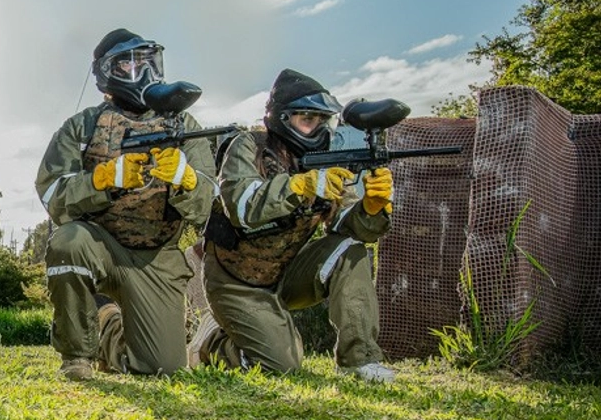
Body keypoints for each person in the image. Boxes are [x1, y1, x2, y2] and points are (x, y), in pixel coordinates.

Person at [34, 29, 217, 380]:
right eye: (131, 66)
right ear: (107, 74)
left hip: (155, 256)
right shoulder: (83, 127)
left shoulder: (185, 126)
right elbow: (52, 195)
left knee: (161, 368)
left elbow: (206, 207)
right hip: (99, 246)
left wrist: (187, 181)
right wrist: (101, 181)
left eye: (150, 63)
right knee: (67, 241)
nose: (144, 73)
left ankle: (108, 330)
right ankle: (77, 355)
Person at [196, 68, 397, 382]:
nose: (316, 128)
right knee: (282, 366)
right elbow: (242, 206)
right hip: (236, 281)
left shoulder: (325, 159)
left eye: (321, 120)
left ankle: (361, 359)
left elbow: (346, 226)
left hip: (285, 273)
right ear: (282, 118)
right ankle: (214, 342)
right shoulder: (248, 146)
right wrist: (300, 186)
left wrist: (370, 208)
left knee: (350, 250)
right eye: (307, 119)